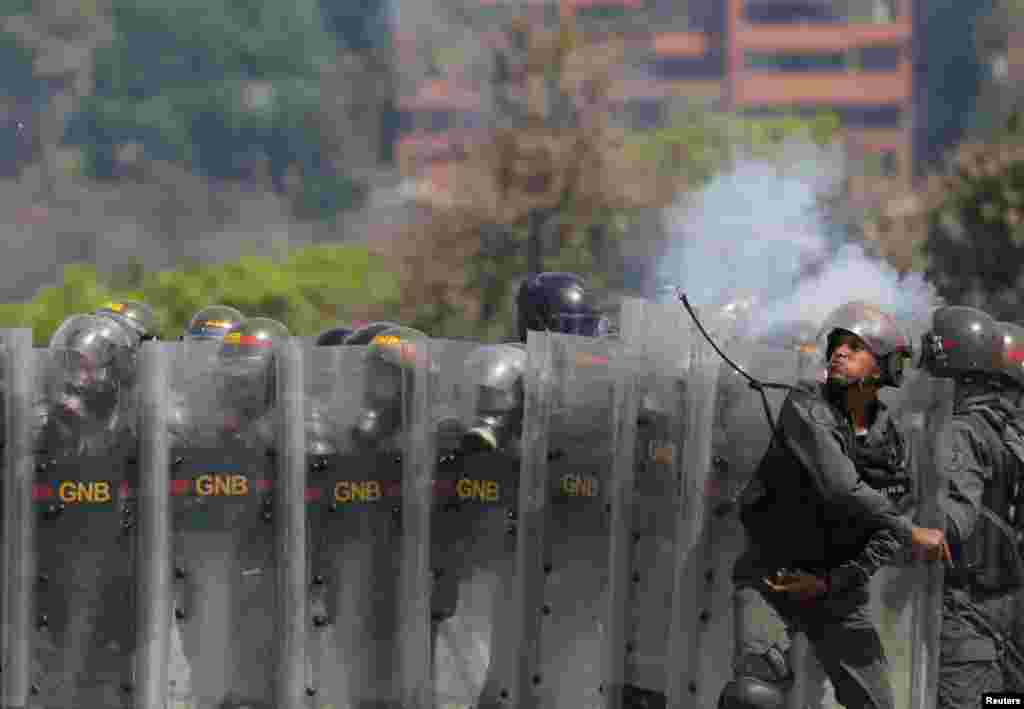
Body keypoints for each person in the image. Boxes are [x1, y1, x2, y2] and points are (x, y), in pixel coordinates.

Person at [719, 301, 951, 709]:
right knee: (754, 695)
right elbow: (840, 485)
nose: (839, 353)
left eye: (854, 347)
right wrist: (910, 530)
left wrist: (829, 584)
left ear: (880, 368)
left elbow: (884, 539)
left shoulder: (890, 444)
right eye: (837, 345)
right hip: (772, 577)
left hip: (838, 591)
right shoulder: (806, 404)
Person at [918, 308, 1024, 706]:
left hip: (968, 621)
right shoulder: (1010, 433)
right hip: (1007, 620)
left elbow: (952, 523)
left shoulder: (964, 432)